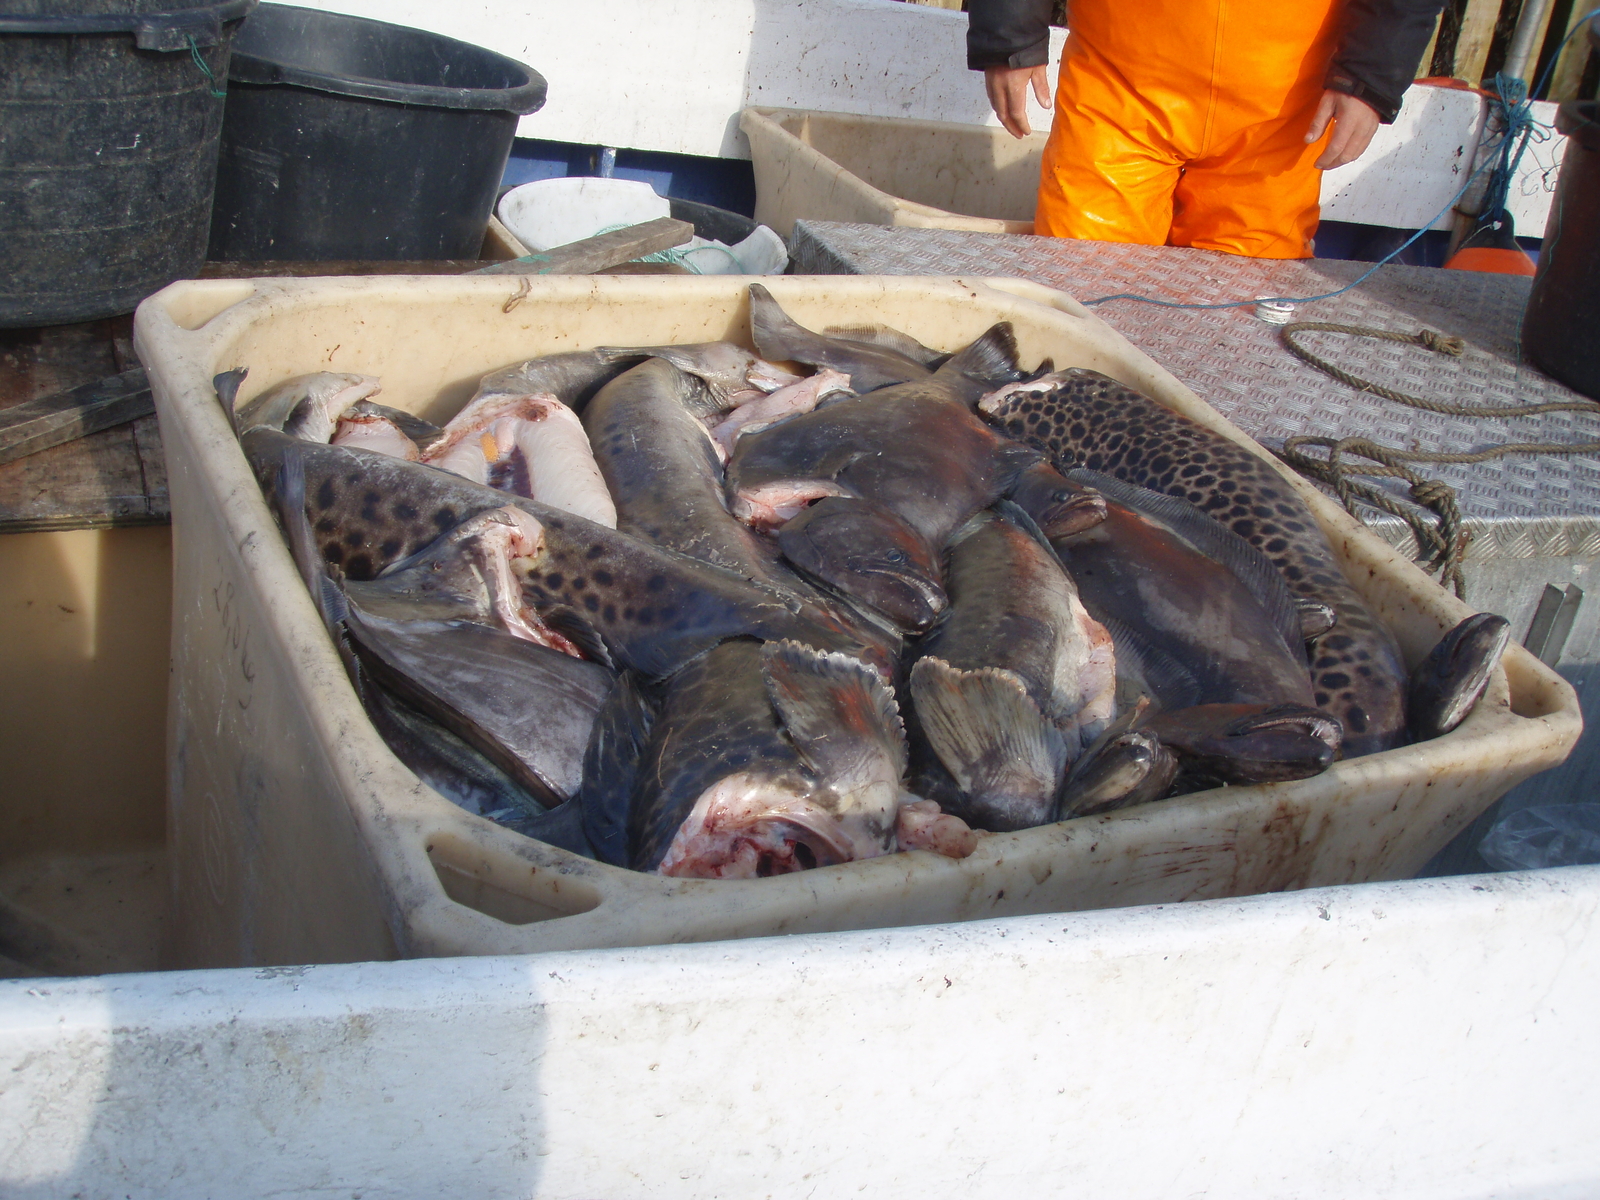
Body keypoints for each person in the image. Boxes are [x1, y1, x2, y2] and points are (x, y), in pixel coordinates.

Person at [967, 0, 1446, 258]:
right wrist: (1010, 34)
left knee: (1241, 323)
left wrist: (1369, 81)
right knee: (1079, 290)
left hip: (1279, 120)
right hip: (1118, 95)